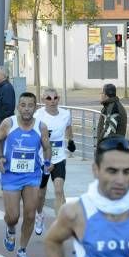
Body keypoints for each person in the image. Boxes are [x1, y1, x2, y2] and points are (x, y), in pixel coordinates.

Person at [0, 92, 51, 257]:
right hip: (10, 175)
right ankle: (10, 230)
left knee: (30, 214)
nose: (26, 109)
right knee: (13, 216)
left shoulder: (41, 126)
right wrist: (0, 158)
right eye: (23, 105)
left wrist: (47, 162)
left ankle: (22, 250)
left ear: (35, 108)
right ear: (18, 107)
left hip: (32, 175)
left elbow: (47, 147)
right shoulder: (8, 123)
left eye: (30, 105)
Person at [34, 88, 75, 235]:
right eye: (48, 98)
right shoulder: (38, 115)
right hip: (42, 157)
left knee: (59, 190)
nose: (52, 101)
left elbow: (69, 126)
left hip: (59, 157)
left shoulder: (65, 114)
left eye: (55, 98)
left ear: (59, 99)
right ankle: (39, 215)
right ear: (43, 100)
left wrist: (70, 140)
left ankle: (60, 226)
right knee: (40, 193)